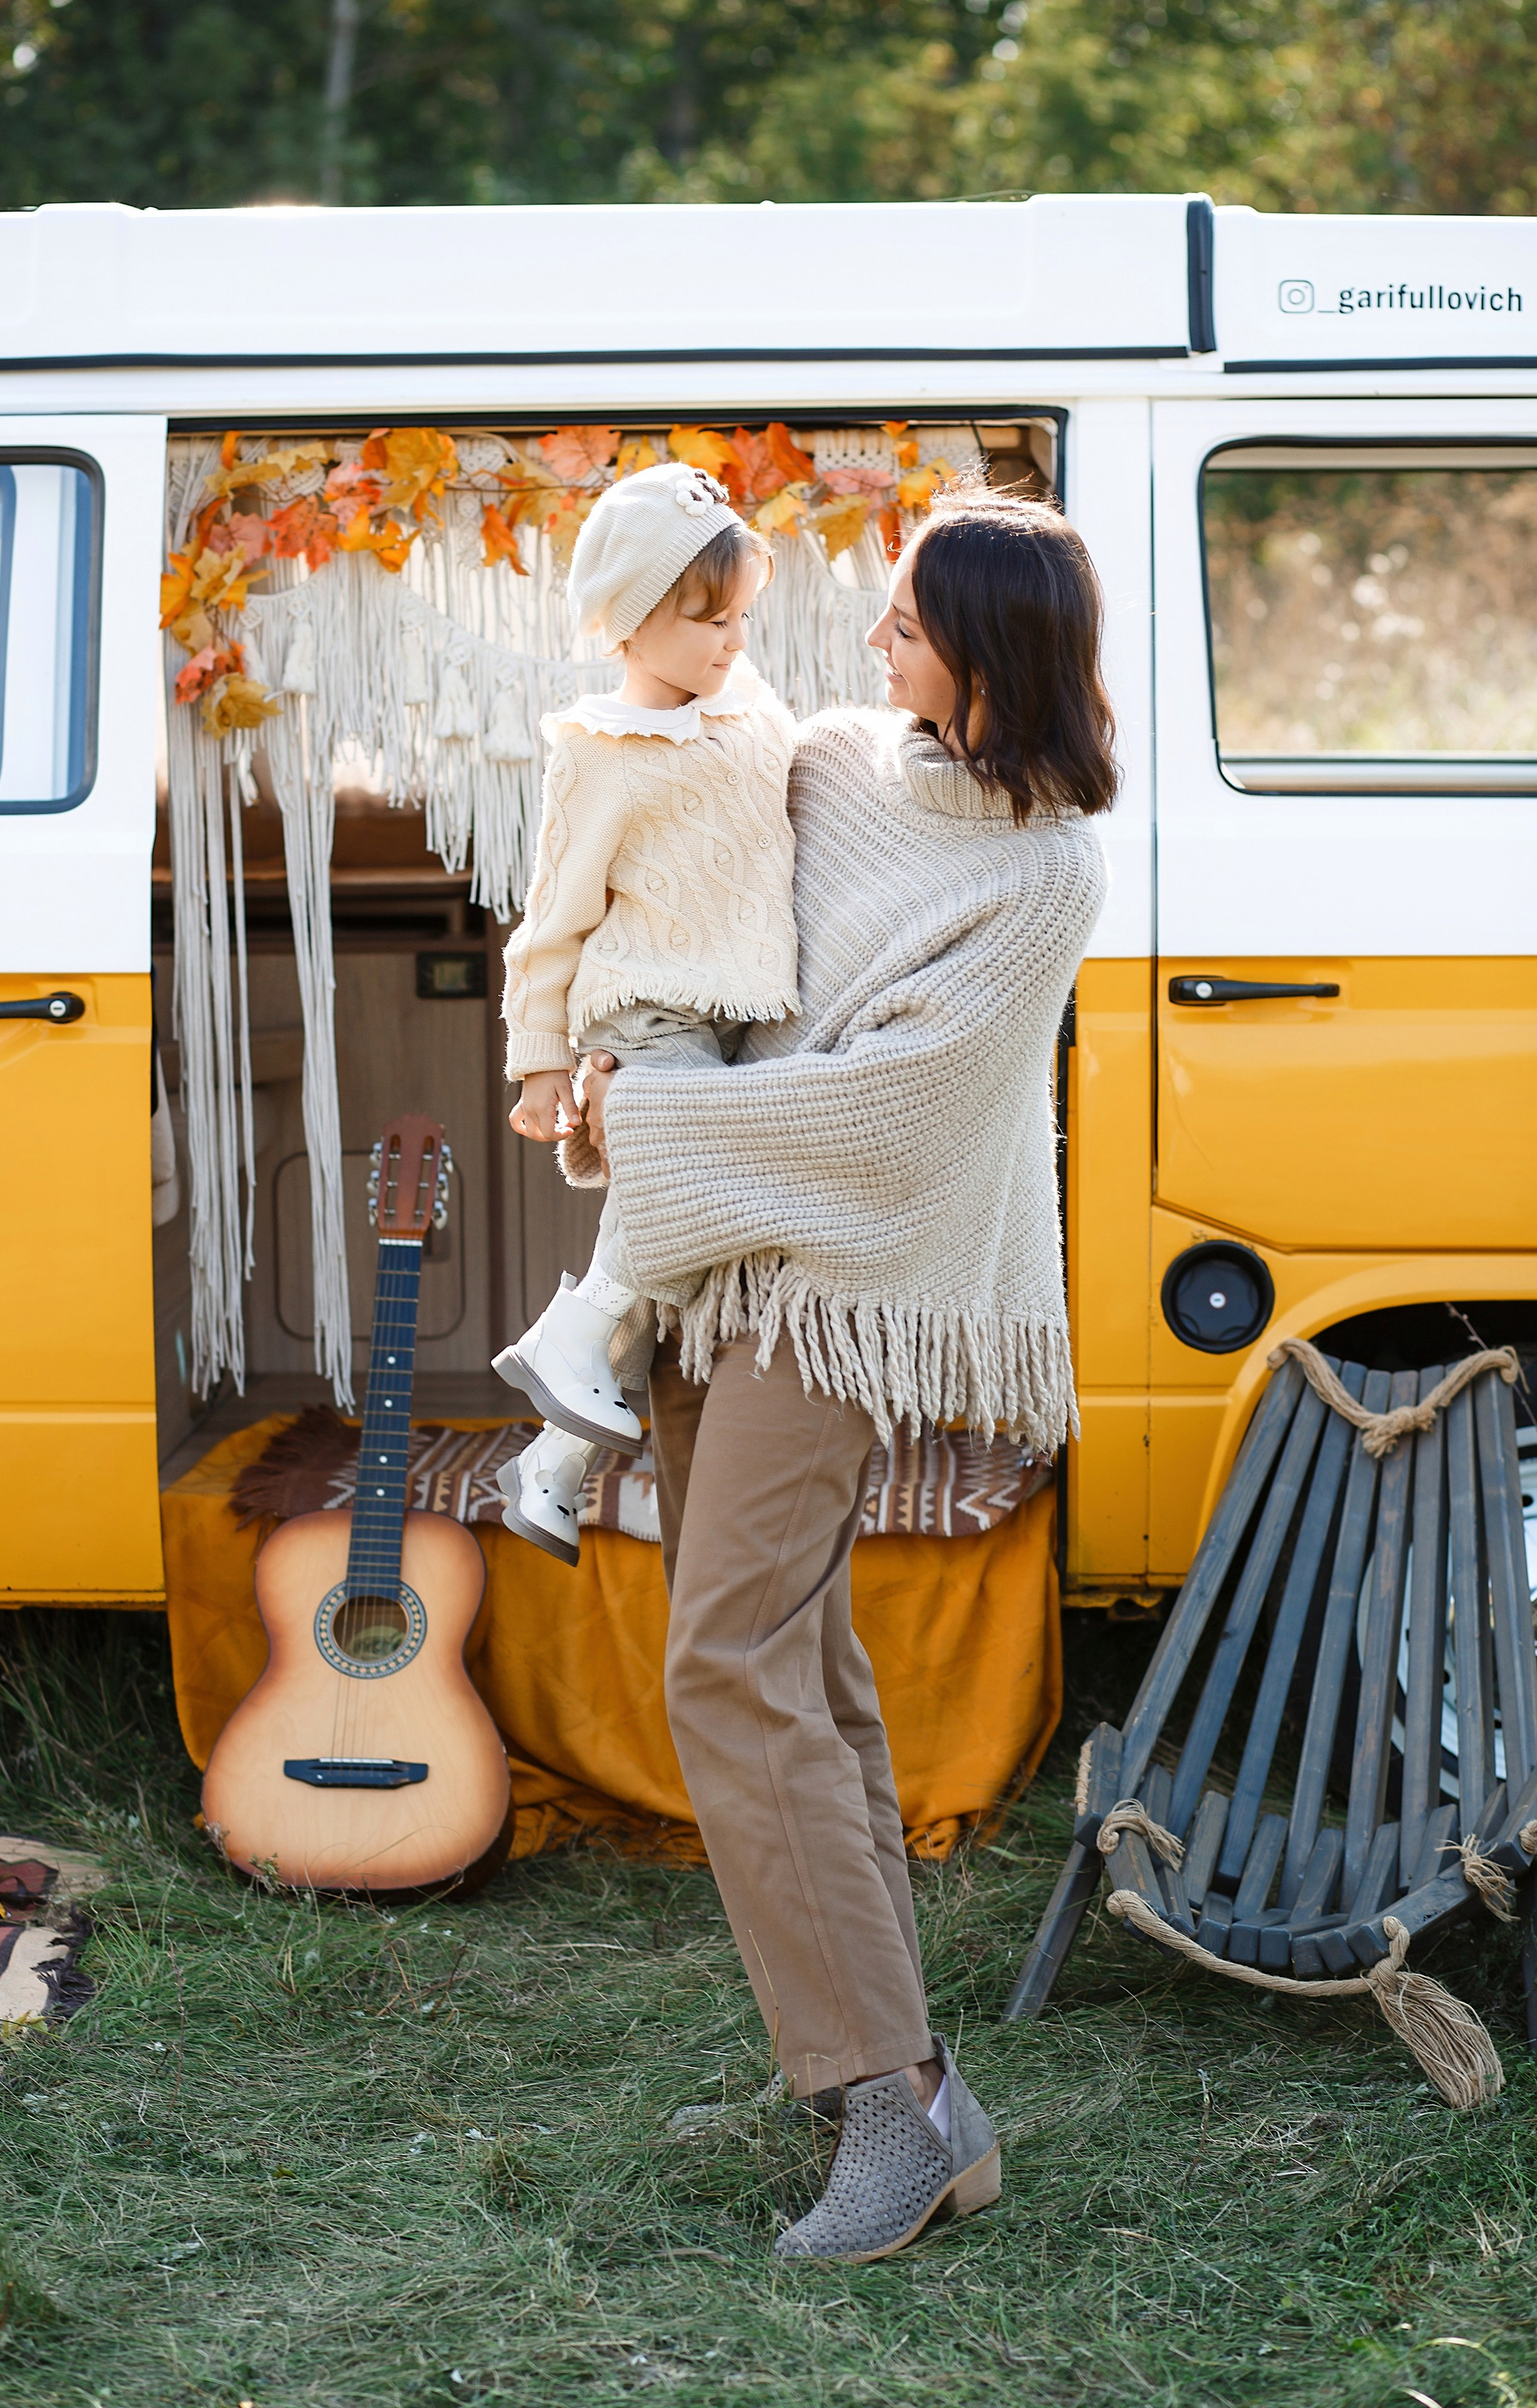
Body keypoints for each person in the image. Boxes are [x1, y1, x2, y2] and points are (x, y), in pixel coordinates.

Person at [579, 488, 1116, 2263]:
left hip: (843, 1289)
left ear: (992, 649)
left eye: (903, 619)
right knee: (798, 1658)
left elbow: (895, 1115)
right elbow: (682, 858)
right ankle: (885, 2080)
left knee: (728, 1658)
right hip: (713, 1251)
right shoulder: (829, 763)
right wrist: (585, 1036)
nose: (869, 638)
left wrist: (651, 1118)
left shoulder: (1044, 873)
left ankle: (884, 2111)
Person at [494, 460, 797, 1561]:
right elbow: (552, 921)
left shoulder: (755, 717)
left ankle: (553, 1463)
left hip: (733, 1027)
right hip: (647, 1021)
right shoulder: (601, 751)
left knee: (679, 1260)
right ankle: (563, 1337)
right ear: (629, 618)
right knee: (691, 1203)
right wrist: (540, 1064)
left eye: (742, 617)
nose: (731, 642)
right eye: (707, 619)